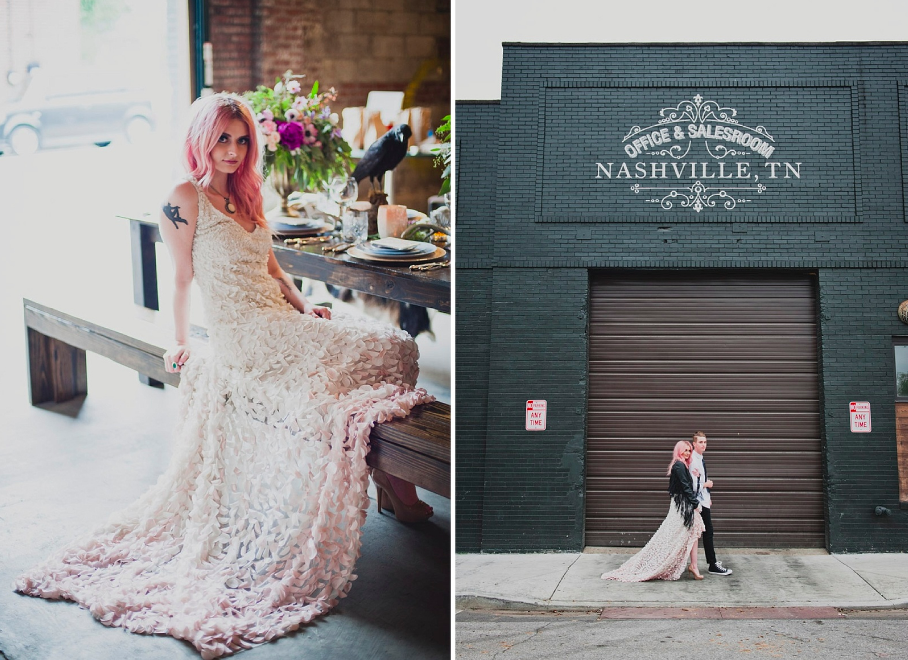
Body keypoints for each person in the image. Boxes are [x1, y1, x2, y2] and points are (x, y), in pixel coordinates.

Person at [15, 93, 435, 659]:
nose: (233, 151)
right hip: (245, 334)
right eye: (222, 139)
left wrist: (304, 304)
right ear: (202, 140)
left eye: (241, 141)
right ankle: (397, 485)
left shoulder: (247, 193)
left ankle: (393, 481)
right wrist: (180, 341)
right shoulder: (183, 196)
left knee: (393, 347)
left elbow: (272, 266)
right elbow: (181, 277)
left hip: (281, 318)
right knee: (383, 352)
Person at [601, 441, 706, 581]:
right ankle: (678, 564)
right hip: (682, 506)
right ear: (679, 451)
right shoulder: (679, 465)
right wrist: (695, 503)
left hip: (683, 504)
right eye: (685, 450)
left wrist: (696, 477)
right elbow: (686, 488)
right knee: (673, 535)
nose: (687, 453)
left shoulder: (681, 465)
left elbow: (685, 486)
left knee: (693, 531)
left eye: (689, 451)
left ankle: (693, 565)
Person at [690, 431, 733, 576]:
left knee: (706, 532)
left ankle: (710, 563)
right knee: (708, 532)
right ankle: (712, 565)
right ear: (694, 444)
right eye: (700, 442)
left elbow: (700, 481)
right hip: (698, 503)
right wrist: (707, 485)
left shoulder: (700, 458)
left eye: (705, 442)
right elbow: (693, 486)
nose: (704, 445)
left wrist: (708, 496)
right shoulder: (693, 461)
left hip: (703, 500)